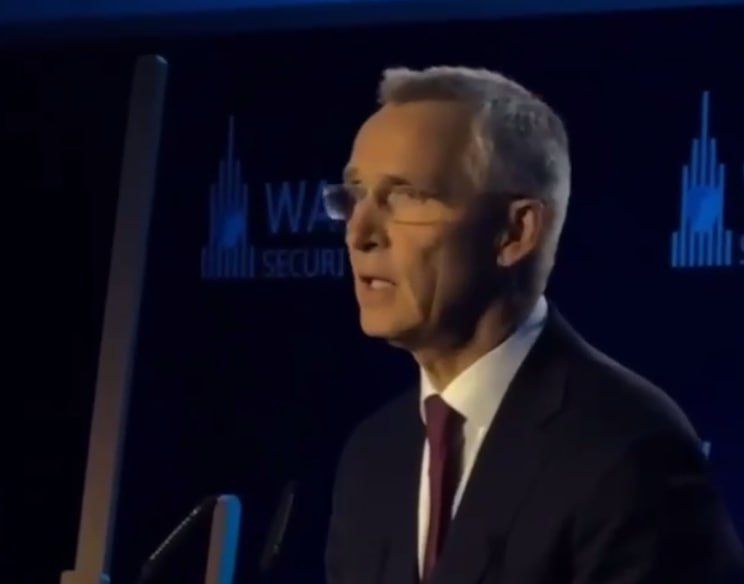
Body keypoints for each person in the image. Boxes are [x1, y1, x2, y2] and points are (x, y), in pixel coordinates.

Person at [322, 66, 744, 584]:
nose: (359, 232)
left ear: (515, 232)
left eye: (405, 196)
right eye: (354, 195)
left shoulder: (626, 449)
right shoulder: (373, 456)